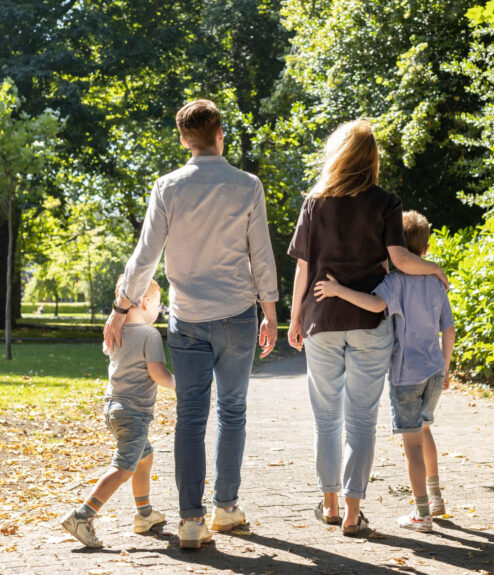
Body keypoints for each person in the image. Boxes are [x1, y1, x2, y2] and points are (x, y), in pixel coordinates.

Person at [103, 99, 278, 549]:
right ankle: (225, 507)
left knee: (191, 418)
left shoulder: (168, 187)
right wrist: (271, 310)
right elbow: (261, 252)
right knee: (233, 411)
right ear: (220, 132)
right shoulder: (247, 185)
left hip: (188, 321)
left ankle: (191, 521)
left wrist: (121, 308)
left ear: (184, 139)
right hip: (239, 315)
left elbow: (146, 256)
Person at [287, 119, 448, 536]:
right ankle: (354, 515)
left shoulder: (314, 202)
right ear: (371, 159)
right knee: (361, 420)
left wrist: (294, 319)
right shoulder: (386, 202)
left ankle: (329, 506)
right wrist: (436, 270)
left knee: (326, 419)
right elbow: (401, 261)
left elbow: (303, 271)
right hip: (370, 322)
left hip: (321, 319)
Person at [314, 210, 455, 533]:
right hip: (434, 370)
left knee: (412, 446)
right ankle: (435, 498)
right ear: (427, 248)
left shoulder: (393, 282)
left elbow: (375, 305)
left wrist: (338, 291)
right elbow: (449, 331)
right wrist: (445, 369)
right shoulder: (436, 282)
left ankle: (422, 515)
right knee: (425, 430)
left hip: (407, 376)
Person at [61, 277, 175, 548]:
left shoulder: (115, 329)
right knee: (123, 468)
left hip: (113, 409)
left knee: (144, 457)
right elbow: (157, 373)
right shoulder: (150, 335)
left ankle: (144, 514)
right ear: (145, 303)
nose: (159, 310)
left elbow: (109, 350)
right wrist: (179, 384)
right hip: (134, 413)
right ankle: (82, 516)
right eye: (158, 305)